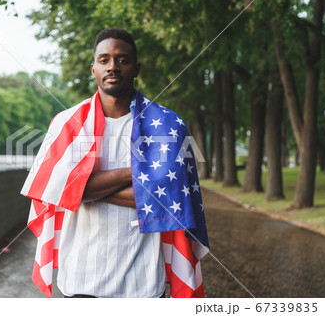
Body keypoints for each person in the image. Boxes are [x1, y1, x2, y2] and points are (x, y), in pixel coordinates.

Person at [21, 28, 208, 298]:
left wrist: (82, 189)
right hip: (82, 278)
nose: (113, 67)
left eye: (123, 59)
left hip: (142, 282)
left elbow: (165, 201)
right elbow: (58, 191)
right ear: (93, 69)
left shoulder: (168, 126)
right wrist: (142, 173)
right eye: (104, 59)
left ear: (136, 69)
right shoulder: (67, 124)